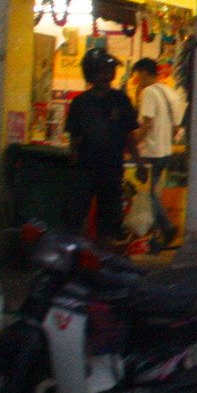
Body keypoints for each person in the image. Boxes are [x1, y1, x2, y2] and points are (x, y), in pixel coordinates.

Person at [63, 48, 139, 245]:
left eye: (109, 71)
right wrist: (73, 160)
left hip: (111, 169)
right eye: (102, 71)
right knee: (76, 216)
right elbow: (74, 138)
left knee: (109, 220)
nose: (107, 76)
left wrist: (138, 161)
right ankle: (77, 253)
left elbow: (129, 134)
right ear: (91, 73)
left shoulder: (121, 100)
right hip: (84, 169)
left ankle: (104, 255)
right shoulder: (80, 103)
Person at [131, 58, 186, 249]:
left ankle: (165, 228)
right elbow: (177, 126)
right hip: (166, 152)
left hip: (151, 152)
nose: (137, 80)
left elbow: (147, 123)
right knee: (154, 194)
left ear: (145, 73)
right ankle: (157, 236)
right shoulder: (171, 93)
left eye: (138, 75)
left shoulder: (149, 92)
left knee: (149, 196)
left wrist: (133, 145)